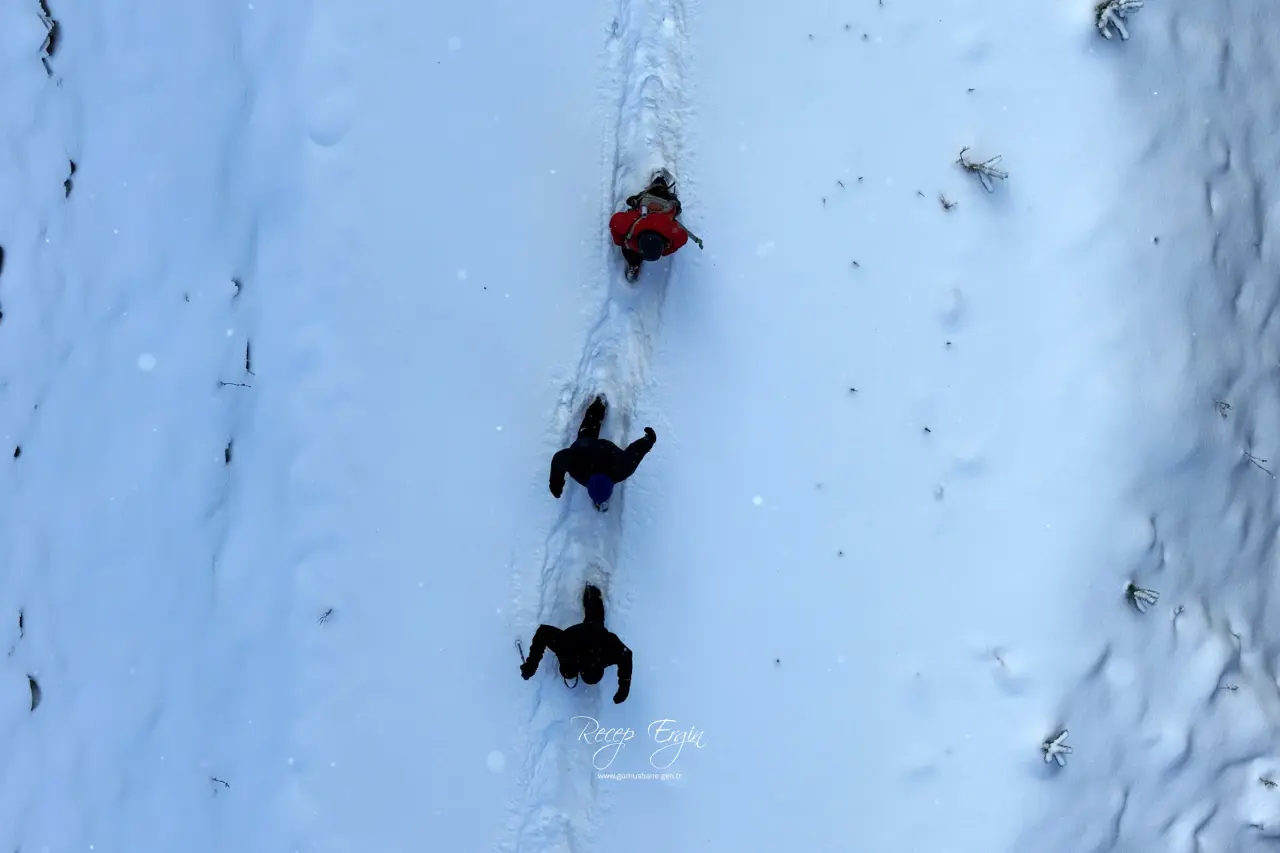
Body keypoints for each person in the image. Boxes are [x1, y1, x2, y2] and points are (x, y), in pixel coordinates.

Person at [520, 584, 633, 703]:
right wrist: (532, 664)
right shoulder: (570, 648)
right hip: (576, 635)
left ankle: (592, 592)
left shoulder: (607, 651)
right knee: (567, 671)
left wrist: (624, 687)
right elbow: (542, 633)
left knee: (594, 619)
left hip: (593, 633)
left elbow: (626, 655)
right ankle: (591, 591)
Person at [550, 394, 656, 512]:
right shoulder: (620, 468)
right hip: (596, 450)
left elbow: (635, 452)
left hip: (593, 449)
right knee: (587, 432)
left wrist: (648, 440)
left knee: (588, 431)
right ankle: (598, 405)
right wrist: (648, 441)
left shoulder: (621, 469)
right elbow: (635, 452)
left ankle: (598, 405)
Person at [608, 170, 694, 281]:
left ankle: (634, 264)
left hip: (652, 202)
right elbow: (682, 238)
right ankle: (661, 182)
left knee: (629, 250)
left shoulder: (633, 223)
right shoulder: (671, 230)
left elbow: (615, 222)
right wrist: (665, 251)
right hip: (660, 204)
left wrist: (621, 241)